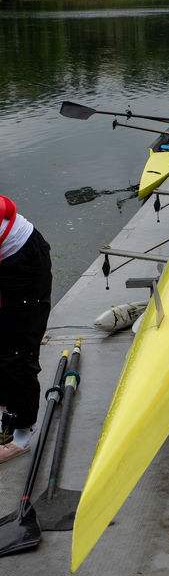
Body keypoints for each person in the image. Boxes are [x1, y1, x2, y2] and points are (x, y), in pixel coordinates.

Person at [0, 196, 53, 464]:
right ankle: (5, 400)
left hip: (25, 263)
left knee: (18, 351)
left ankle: (21, 436)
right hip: (7, 257)